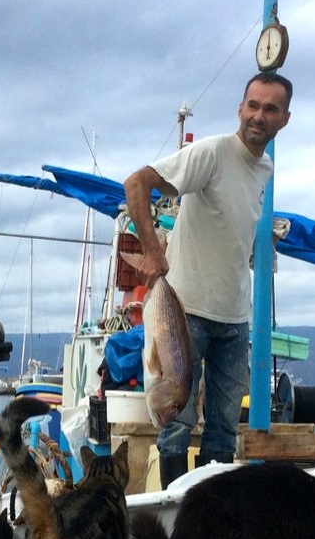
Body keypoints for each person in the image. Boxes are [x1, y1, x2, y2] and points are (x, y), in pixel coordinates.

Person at [123, 72, 293, 488]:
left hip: (235, 321)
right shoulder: (212, 153)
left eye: (270, 109)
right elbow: (136, 183)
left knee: (223, 431)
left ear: (284, 119)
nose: (259, 116)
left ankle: (209, 512)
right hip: (185, 314)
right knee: (175, 425)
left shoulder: (265, 169)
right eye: (252, 105)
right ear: (240, 108)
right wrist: (152, 251)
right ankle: (175, 507)